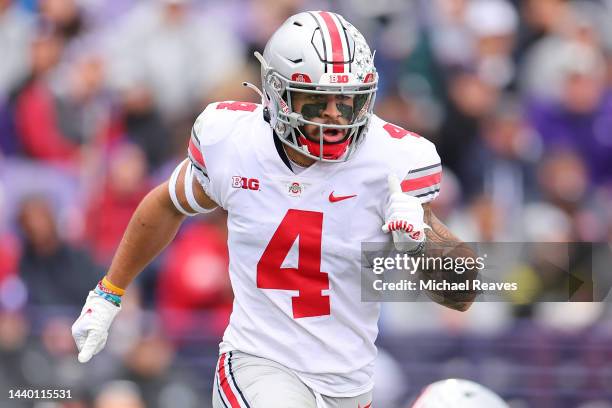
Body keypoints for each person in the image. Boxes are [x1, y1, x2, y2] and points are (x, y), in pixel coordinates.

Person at [72, 11, 476, 408]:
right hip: (257, 365)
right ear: (279, 94)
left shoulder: (390, 161)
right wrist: (109, 292)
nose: (336, 116)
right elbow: (166, 204)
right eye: (318, 103)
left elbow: (464, 293)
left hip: (348, 383)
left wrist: (420, 246)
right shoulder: (235, 144)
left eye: (348, 101)